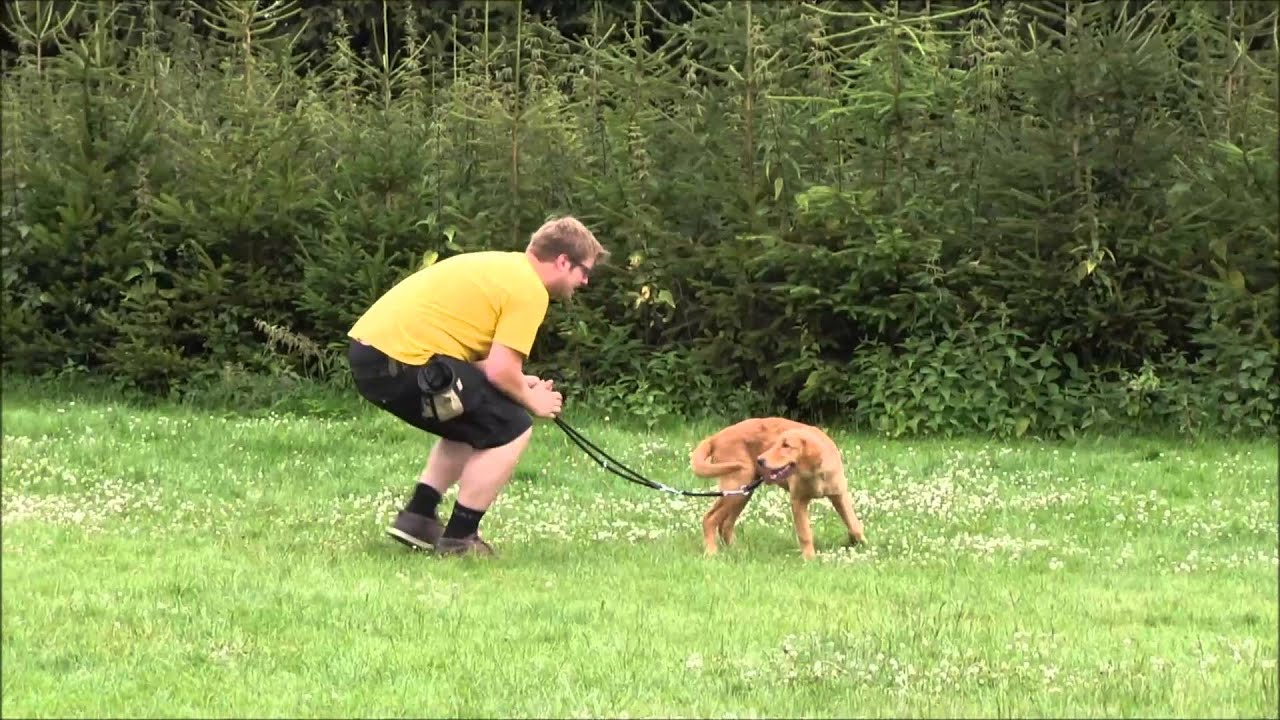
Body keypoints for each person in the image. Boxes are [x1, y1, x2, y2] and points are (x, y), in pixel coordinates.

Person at [346, 216, 608, 557]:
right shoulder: (529, 289)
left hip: (373, 354)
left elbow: (489, 366)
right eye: (583, 271)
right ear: (562, 261)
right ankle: (460, 539)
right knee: (512, 426)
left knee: (472, 418)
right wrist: (534, 401)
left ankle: (418, 517)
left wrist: (517, 382)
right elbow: (501, 370)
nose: (585, 281)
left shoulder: (504, 268)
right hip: (402, 359)